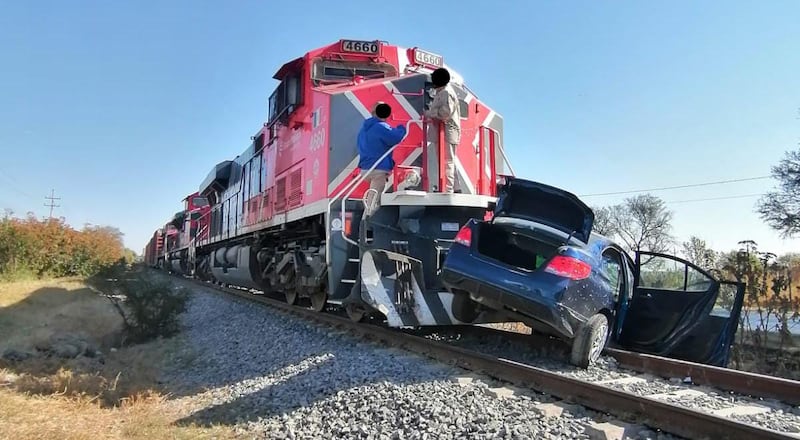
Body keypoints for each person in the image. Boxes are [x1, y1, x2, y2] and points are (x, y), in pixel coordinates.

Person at [357, 102, 407, 215]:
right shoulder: (380, 127)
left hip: (366, 169)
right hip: (378, 168)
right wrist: (401, 128)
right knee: (375, 198)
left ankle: (369, 214)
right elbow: (396, 137)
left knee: (373, 193)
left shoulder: (363, 130)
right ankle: (368, 218)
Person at [424, 67, 461, 193]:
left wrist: (429, 113)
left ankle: (448, 188)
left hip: (446, 131)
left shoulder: (446, 92)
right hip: (443, 131)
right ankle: (455, 187)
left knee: (447, 161)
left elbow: (445, 113)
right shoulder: (442, 92)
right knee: (449, 160)